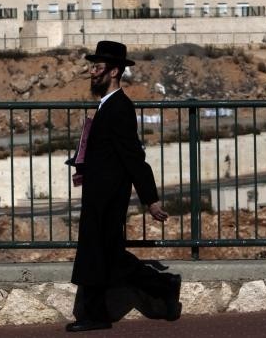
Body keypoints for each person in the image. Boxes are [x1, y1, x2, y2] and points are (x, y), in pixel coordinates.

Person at [66, 40, 182, 332]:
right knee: (108, 255)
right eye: (93, 67)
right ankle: (163, 286)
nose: (92, 72)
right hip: (99, 192)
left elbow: (133, 156)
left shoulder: (120, 108)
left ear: (114, 71)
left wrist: (150, 199)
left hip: (108, 196)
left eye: (98, 67)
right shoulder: (107, 106)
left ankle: (97, 315)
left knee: (98, 253)